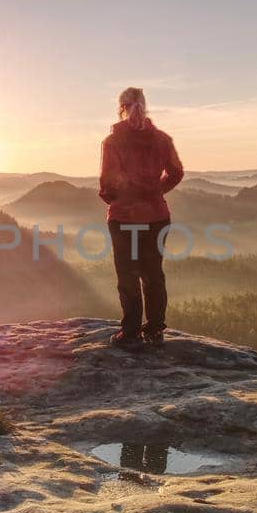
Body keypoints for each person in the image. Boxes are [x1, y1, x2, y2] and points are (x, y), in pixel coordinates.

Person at [98, 86, 183, 347]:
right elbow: (176, 172)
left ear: (120, 108)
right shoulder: (162, 139)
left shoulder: (112, 142)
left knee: (128, 274)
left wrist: (115, 198)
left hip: (124, 217)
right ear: (144, 107)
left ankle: (131, 331)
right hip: (157, 216)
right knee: (153, 274)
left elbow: (107, 182)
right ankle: (155, 329)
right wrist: (156, 191)